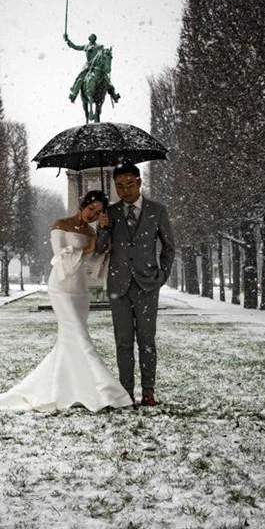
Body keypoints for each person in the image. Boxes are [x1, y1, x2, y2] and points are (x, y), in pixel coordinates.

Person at [0, 190, 133, 412]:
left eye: (99, 212)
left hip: (80, 289)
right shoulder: (60, 224)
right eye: (91, 209)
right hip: (61, 287)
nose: (93, 214)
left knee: (71, 339)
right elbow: (60, 257)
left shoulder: (92, 231)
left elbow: (93, 264)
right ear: (82, 205)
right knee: (79, 337)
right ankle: (107, 391)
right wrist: (88, 247)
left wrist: (103, 239)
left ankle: (68, 389)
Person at [95, 164, 175, 406]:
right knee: (123, 343)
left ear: (139, 183)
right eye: (119, 185)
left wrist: (162, 277)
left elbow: (169, 246)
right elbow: (99, 249)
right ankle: (126, 393)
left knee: (147, 341)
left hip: (147, 286)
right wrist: (103, 228)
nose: (124, 190)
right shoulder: (110, 213)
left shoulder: (157, 211)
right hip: (119, 286)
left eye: (129, 184)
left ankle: (148, 393)